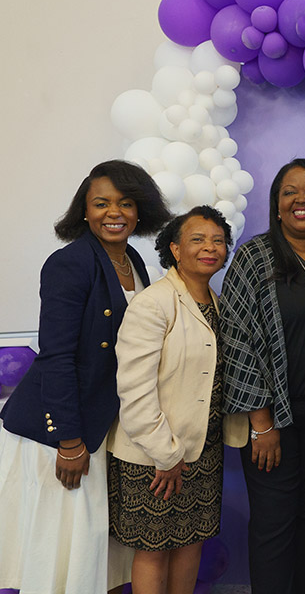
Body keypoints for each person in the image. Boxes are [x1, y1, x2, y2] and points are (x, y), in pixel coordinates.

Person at [0, 160, 170, 594]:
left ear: (139, 212)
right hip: (58, 431)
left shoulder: (132, 259)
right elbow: (56, 357)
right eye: (101, 203)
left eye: (126, 203)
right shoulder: (69, 263)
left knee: (92, 552)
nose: (114, 213)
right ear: (84, 211)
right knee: (59, 557)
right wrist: (69, 441)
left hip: (101, 422)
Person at [219, 159, 305, 594]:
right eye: (289, 192)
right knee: (274, 520)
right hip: (272, 419)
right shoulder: (254, 256)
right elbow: (236, 338)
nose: (301, 199)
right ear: (277, 206)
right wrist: (261, 423)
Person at [108, 205, 246, 594]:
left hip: (202, 448)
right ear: (175, 249)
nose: (210, 248)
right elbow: (134, 390)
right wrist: (165, 453)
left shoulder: (217, 304)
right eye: (197, 240)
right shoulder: (153, 303)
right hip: (154, 454)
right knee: (154, 549)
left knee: (191, 541)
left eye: (218, 241)